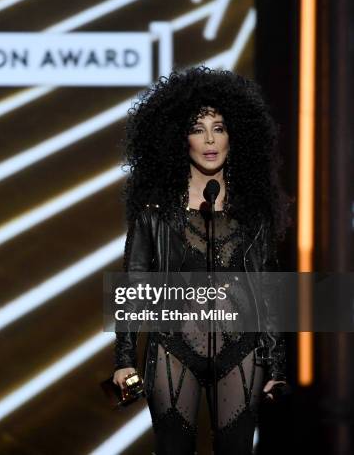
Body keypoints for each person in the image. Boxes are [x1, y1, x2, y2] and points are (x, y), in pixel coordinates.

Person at [112, 65, 293, 454]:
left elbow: (268, 292)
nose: (210, 139)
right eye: (197, 128)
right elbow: (135, 285)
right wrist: (124, 359)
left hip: (241, 350)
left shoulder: (253, 214)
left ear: (235, 136)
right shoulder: (155, 213)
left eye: (219, 127)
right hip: (173, 347)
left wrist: (277, 366)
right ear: (180, 139)